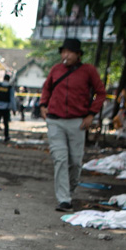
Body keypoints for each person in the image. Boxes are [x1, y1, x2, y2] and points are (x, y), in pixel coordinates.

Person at [40, 37, 106, 212]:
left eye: (69, 52)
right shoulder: (56, 69)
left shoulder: (88, 71)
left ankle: (68, 191)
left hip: (77, 122)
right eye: (63, 52)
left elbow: (101, 93)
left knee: (75, 162)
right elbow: (46, 88)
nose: (66, 55)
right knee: (60, 158)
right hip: (55, 121)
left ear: (78, 55)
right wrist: (43, 105)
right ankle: (64, 199)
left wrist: (91, 114)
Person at [0, 74, 15, 143]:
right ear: (9, 79)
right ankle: (6, 136)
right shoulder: (10, 87)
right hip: (6, 107)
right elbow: (12, 98)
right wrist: (14, 109)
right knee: (6, 122)